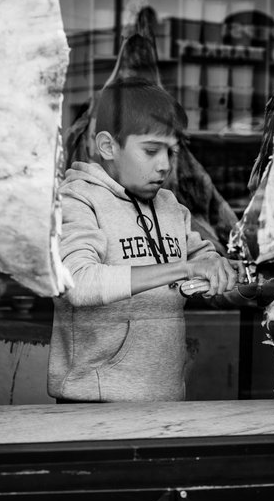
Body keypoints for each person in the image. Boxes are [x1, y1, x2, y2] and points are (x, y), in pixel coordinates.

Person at [47, 76, 241, 403]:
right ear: (108, 146)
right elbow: (77, 283)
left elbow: (210, 275)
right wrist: (184, 269)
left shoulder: (170, 207)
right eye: (151, 150)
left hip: (166, 396)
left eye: (171, 152)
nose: (164, 165)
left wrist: (231, 277)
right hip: (94, 402)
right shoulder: (76, 199)